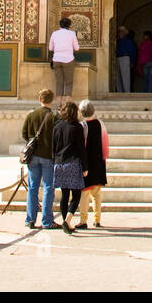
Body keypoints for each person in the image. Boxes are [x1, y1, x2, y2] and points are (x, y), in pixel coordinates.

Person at [20, 88, 57, 229]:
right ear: (51, 100)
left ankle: (30, 219)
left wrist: (33, 142)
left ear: (39, 99)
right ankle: (47, 220)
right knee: (48, 187)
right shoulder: (54, 116)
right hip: (48, 156)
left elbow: (24, 133)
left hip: (33, 156)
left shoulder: (32, 115)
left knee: (32, 187)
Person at [51, 100, 88, 233]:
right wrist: (85, 167)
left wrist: (53, 163)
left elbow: (53, 147)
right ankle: (68, 220)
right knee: (76, 194)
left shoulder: (57, 126)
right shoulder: (77, 127)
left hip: (59, 163)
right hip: (73, 163)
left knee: (64, 194)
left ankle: (64, 220)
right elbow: (81, 149)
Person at [78, 99, 109, 228]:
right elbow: (105, 143)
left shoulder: (82, 126)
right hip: (98, 162)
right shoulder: (100, 124)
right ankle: (97, 219)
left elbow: (81, 146)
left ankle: (83, 220)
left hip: (87, 164)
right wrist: (104, 158)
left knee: (84, 194)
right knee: (96, 194)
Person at [47, 17, 79, 103]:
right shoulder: (72, 34)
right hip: (68, 60)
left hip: (56, 60)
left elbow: (50, 48)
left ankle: (59, 105)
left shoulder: (54, 33)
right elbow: (77, 48)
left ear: (60, 25)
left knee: (59, 82)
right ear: (69, 25)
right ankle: (67, 104)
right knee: (68, 82)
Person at [115, 27, 137, 94]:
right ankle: (119, 92)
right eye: (119, 31)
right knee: (117, 77)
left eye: (121, 31)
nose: (120, 33)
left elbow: (133, 52)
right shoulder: (117, 41)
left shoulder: (128, 41)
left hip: (125, 58)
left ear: (124, 33)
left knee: (125, 76)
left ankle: (127, 92)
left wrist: (132, 61)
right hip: (117, 58)